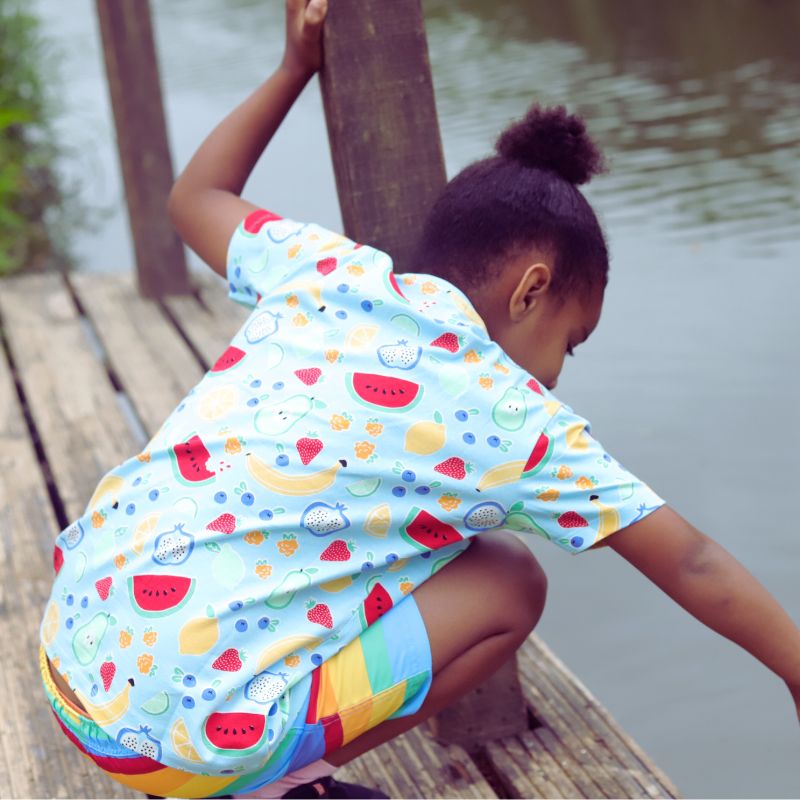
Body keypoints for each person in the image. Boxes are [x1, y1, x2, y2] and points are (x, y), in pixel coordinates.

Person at [39, 1, 800, 798]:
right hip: (179, 748)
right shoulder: (515, 419)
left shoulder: (325, 269)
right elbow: (692, 559)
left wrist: (294, 67)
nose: (555, 378)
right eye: (570, 342)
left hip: (71, 657)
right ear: (533, 289)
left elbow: (194, 197)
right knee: (511, 582)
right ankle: (278, 784)